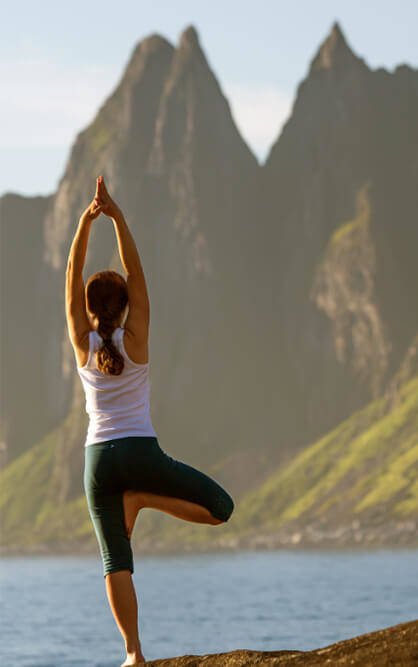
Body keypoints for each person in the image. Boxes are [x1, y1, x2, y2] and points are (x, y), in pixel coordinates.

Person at [65, 175, 235, 666]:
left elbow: (73, 275)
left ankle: (134, 654)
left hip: (97, 461)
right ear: (125, 308)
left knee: (115, 561)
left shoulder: (83, 344)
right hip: (141, 450)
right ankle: (146, 498)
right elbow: (136, 274)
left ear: (92, 310)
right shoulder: (135, 341)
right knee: (221, 507)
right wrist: (117, 216)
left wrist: (84, 223)